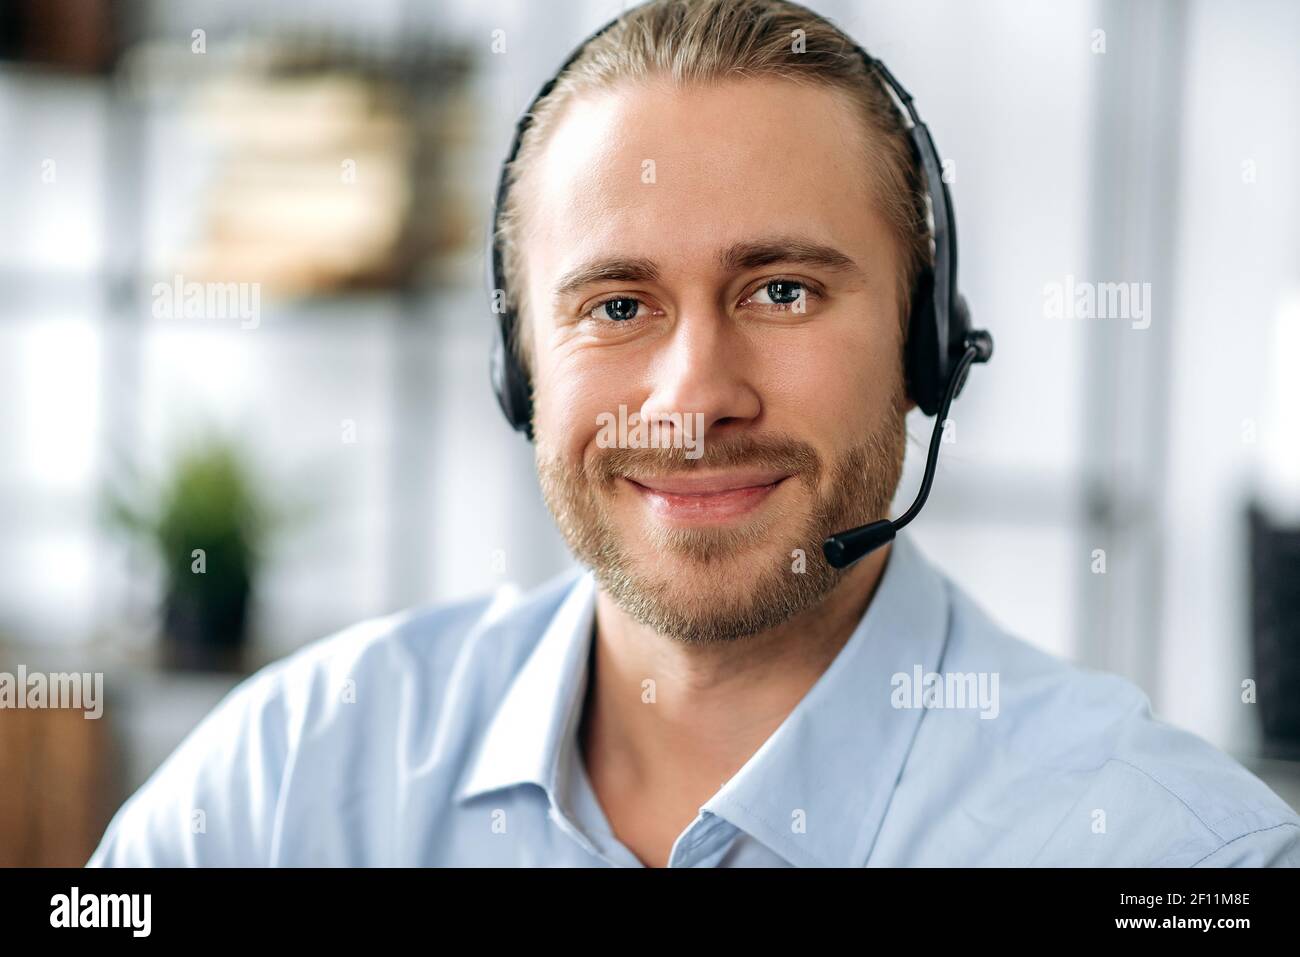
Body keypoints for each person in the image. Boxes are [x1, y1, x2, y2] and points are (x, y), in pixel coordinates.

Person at [89, 0, 1299, 867]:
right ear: (521, 373)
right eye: (617, 306)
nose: (692, 397)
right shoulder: (274, 786)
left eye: (781, 290)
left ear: (928, 344)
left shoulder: (1173, 853)